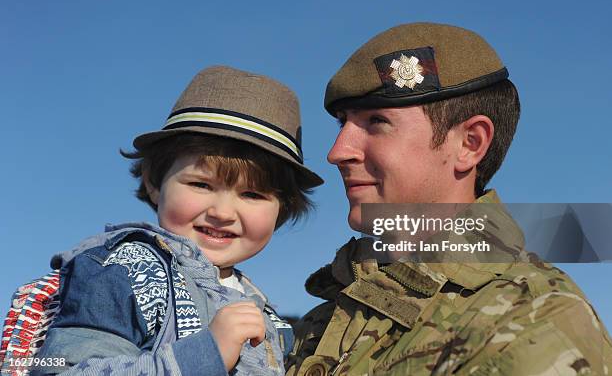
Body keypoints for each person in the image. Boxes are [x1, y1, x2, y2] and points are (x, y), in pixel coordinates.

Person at [286, 23, 612, 375]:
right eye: (342, 124)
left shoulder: (530, 324)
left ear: (469, 143)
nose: (337, 152)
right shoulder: (330, 315)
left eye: (377, 121)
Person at [30, 65, 323, 375]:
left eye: (252, 195)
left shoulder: (270, 319)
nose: (222, 213)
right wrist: (203, 356)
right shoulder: (128, 269)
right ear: (155, 183)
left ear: (282, 208)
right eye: (201, 184)